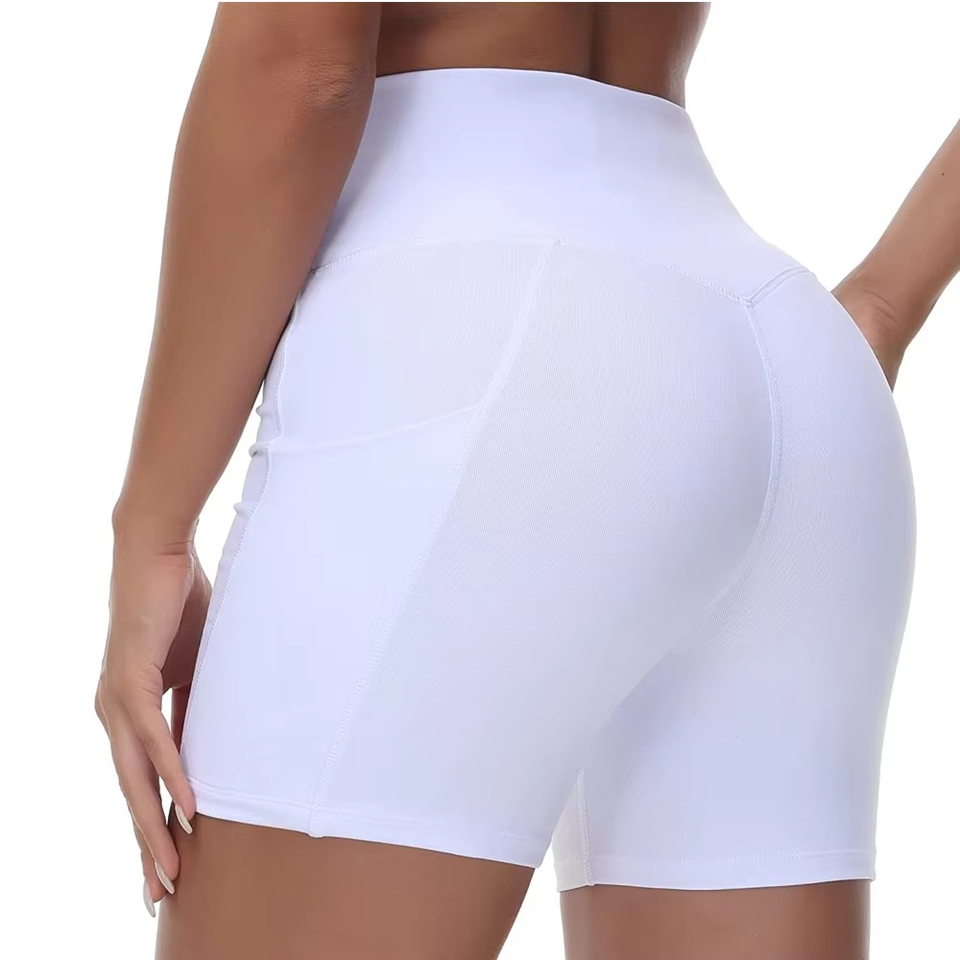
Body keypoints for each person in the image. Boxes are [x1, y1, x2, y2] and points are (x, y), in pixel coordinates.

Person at [93, 4, 958, 958]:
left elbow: (300, 64)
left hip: (472, 329)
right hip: (784, 356)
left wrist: (155, 526)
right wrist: (881, 306)